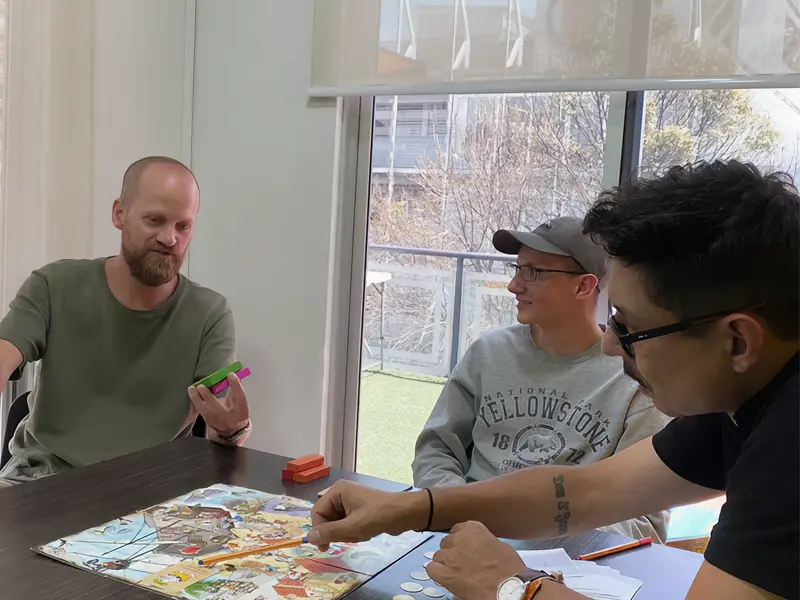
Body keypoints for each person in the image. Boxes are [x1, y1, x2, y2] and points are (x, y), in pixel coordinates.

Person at [309, 160, 799, 600]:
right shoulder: (741, 394)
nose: (610, 344)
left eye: (629, 326)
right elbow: (582, 493)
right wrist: (410, 509)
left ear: (737, 340)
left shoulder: (789, 444)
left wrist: (510, 588)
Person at [412, 216, 670, 542]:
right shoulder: (487, 353)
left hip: (569, 566)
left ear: (584, 286)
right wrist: (459, 511)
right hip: (465, 537)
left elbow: (645, 521)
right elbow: (435, 450)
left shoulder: (633, 378)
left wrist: (547, 534)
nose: (514, 286)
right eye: (517, 270)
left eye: (533, 273)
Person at [0, 156, 251, 487]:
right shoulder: (53, 285)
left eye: (183, 226)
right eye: (154, 220)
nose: (169, 238)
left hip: (148, 489)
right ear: (119, 214)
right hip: (44, 478)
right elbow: (7, 349)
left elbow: (220, 413)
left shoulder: (210, 313)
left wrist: (232, 428)